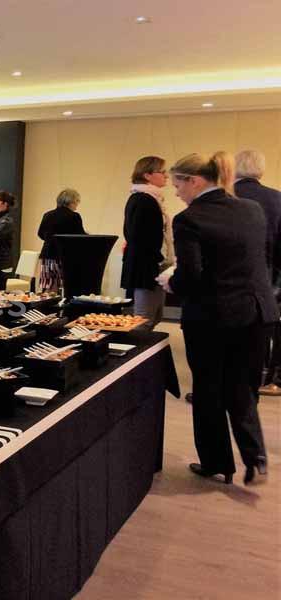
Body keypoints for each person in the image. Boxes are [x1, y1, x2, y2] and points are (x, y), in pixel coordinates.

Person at [158, 151, 276, 485]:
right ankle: (256, 457)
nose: (176, 191)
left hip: (212, 317)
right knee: (243, 387)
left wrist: (171, 282)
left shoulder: (189, 219)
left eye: (178, 184)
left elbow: (191, 276)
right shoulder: (251, 210)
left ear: (194, 181)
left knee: (209, 389)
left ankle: (217, 462)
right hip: (257, 312)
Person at [234, 150, 281, 396]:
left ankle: (237, 376)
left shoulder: (226, 197)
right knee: (268, 326)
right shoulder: (277, 198)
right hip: (269, 275)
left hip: (232, 278)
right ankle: (269, 375)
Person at [121, 156, 174, 329]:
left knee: (155, 316)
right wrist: (158, 259)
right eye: (162, 172)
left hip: (154, 264)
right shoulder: (143, 200)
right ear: (147, 175)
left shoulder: (151, 199)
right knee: (143, 319)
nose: (166, 176)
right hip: (146, 267)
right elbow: (138, 237)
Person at [37, 188, 85, 292]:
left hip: (47, 255)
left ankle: (48, 301)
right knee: (65, 287)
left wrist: (51, 240)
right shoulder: (74, 216)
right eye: (77, 201)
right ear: (71, 202)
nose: (77, 205)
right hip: (65, 256)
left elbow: (40, 234)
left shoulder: (48, 215)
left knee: (49, 287)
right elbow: (80, 237)